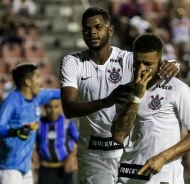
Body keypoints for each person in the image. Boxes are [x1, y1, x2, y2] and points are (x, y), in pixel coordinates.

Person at [60, 7, 179, 184]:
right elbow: (69, 109)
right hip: (94, 155)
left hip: (128, 153)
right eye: (87, 29)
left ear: (110, 30)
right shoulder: (73, 62)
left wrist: (174, 64)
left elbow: (155, 63)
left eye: (98, 27)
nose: (92, 32)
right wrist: (108, 101)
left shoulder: (127, 59)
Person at [115, 33, 190, 184]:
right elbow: (118, 136)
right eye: (137, 62)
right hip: (128, 175)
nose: (142, 69)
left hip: (164, 177)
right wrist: (136, 98)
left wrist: (163, 157)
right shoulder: (125, 90)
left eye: (148, 64)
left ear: (160, 62)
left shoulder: (178, 89)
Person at [0, 63, 60, 184]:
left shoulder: (38, 97)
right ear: (28, 82)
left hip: (25, 168)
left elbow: (60, 93)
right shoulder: (12, 102)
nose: (41, 81)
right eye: (37, 77)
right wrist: (15, 132)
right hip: (8, 168)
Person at [35, 99, 79, 184]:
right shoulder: (39, 124)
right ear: (44, 108)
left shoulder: (68, 123)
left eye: (56, 107)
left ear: (61, 108)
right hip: (45, 170)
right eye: (49, 107)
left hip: (64, 169)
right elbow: (32, 143)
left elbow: (80, 142)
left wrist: (72, 156)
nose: (52, 110)